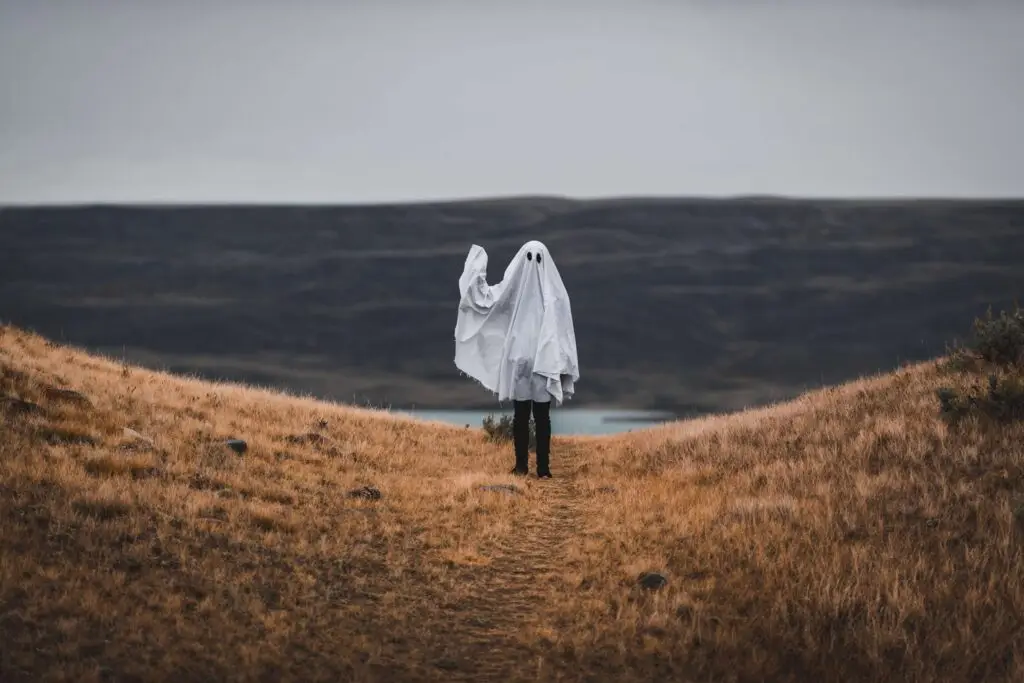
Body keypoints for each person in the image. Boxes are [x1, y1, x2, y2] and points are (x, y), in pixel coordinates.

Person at [454, 240, 579, 478]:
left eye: (537, 258)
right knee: (525, 415)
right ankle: (525, 466)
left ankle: (540, 467)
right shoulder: (522, 292)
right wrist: (476, 275)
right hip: (526, 362)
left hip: (540, 364)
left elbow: (564, 331)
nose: (533, 264)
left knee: (537, 417)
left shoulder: (554, 297)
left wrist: (561, 365)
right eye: (529, 258)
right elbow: (487, 300)